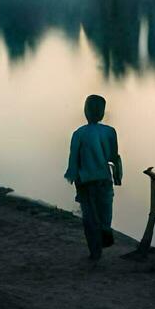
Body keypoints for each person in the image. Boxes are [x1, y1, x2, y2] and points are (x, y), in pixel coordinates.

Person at [64, 94, 123, 261]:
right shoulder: (110, 132)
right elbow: (113, 157)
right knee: (105, 211)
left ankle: (95, 252)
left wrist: (72, 176)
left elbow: (73, 159)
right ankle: (105, 229)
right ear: (102, 113)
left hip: (85, 180)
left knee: (89, 217)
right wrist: (117, 177)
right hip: (104, 178)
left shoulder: (79, 133)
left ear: (86, 112)